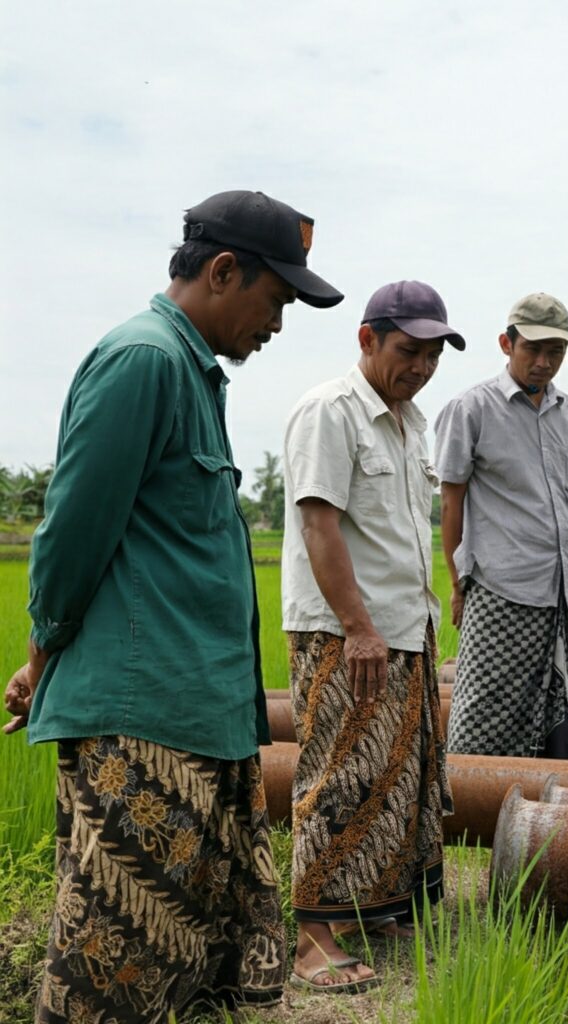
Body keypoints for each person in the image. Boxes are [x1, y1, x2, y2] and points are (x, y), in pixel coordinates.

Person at [2, 190, 343, 1022]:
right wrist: (44, 654)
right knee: (116, 972)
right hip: (141, 727)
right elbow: (73, 534)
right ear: (224, 271)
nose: (278, 323)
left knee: (186, 967)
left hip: (196, 721)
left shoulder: (192, 374)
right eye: (277, 300)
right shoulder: (143, 360)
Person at [280, 280, 462, 992]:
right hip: (345, 633)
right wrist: (357, 627)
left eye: (432, 355)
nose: (420, 366)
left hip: (405, 629)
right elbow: (319, 524)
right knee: (339, 772)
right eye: (408, 351)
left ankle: (377, 908)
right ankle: (313, 940)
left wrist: (409, 624)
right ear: (367, 339)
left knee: (402, 779)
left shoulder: (413, 421)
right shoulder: (331, 412)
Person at [434, 292, 568, 760]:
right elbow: (451, 503)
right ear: (507, 344)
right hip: (501, 587)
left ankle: (548, 818)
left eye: (556, 352)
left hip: (564, 591)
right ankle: (470, 809)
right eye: (533, 349)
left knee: (557, 706)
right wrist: (458, 582)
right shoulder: (472, 408)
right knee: (485, 710)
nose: (544, 363)